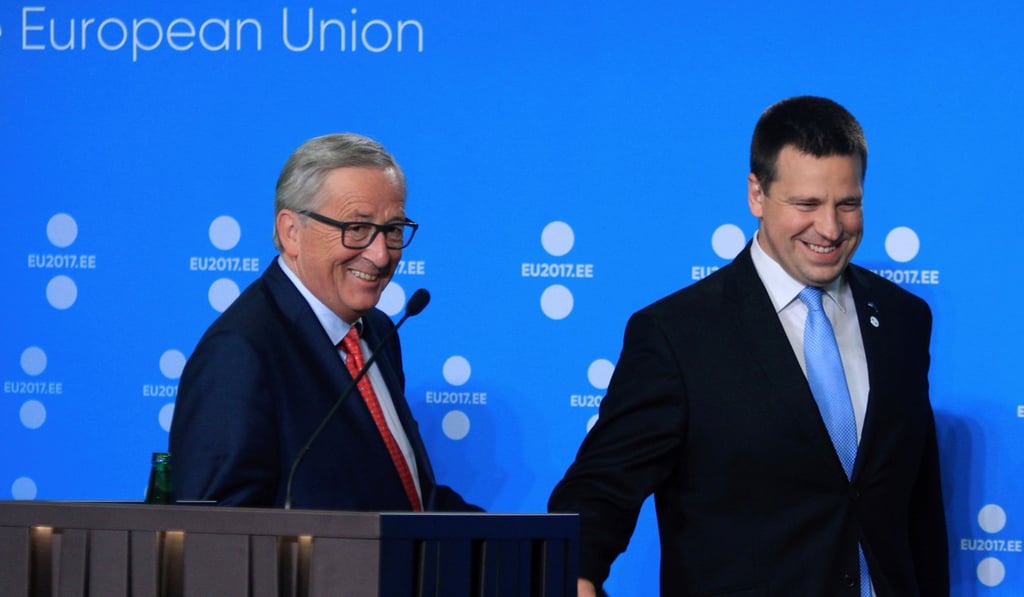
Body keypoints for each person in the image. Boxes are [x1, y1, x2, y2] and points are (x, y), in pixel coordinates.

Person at [549, 96, 948, 596]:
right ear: (756, 195)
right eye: (806, 204)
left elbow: (917, 506)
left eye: (848, 203)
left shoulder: (903, 318)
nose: (830, 228)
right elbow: (601, 488)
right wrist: (577, 572)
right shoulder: (676, 334)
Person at [170, 133, 478, 512]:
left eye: (393, 230)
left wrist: (527, 552)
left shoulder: (377, 332)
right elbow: (218, 535)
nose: (381, 255)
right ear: (291, 232)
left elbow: (406, 498)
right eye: (357, 228)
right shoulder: (240, 352)